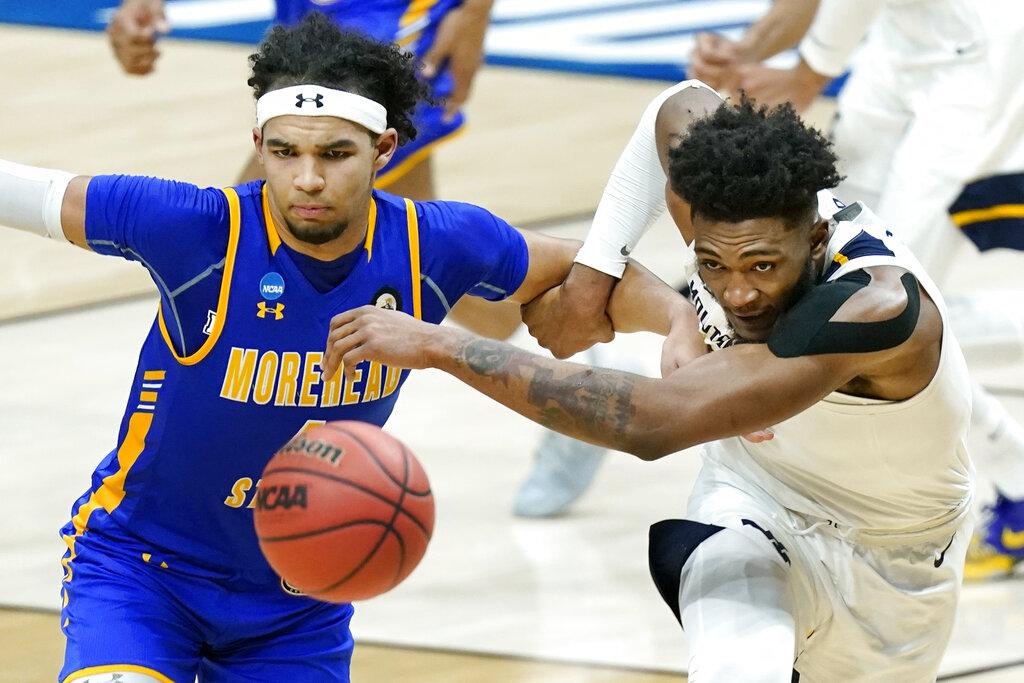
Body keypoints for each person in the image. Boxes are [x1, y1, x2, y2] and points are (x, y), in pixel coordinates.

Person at [0, 14, 688, 681]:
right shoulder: (199, 230)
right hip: (142, 571)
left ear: (384, 150)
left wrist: (685, 325)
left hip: (300, 598)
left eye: (334, 154)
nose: (305, 178)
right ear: (258, 141)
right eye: (284, 151)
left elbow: (585, 268)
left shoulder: (435, 243)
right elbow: (26, 193)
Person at [328, 98, 975, 680]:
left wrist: (442, 345)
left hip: (892, 551)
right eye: (713, 264)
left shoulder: (878, 308)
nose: (739, 291)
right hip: (753, 495)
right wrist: (596, 273)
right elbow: (674, 106)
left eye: (763, 266)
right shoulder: (721, 196)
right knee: (734, 664)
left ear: (816, 237)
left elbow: (653, 423)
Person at [689, 0, 1024, 580]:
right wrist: (752, 51)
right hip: (903, 39)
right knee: (832, 253)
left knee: (877, 310)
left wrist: (806, 73)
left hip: (984, 54)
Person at [107, 0, 523, 340]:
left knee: (247, 242)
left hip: (384, 16)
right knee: (411, 251)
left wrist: (475, 10)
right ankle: (556, 325)